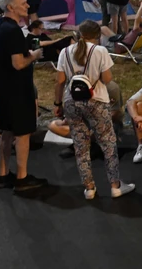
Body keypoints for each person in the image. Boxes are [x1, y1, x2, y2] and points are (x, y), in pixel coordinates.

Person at [54, 20, 134, 200]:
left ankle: (89, 188)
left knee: (81, 146)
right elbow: (107, 79)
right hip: (96, 101)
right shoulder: (100, 51)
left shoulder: (65, 52)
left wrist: (57, 104)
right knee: (108, 144)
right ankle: (115, 186)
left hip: (71, 101)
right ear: (98, 35)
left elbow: (59, 81)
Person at [0, 0, 48, 191]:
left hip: (1, 86)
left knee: (6, 131)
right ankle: (22, 178)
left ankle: (3, 175)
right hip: (18, 89)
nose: (27, 5)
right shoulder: (12, 30)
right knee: (23, 133)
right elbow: (18, 63)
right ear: (11, 8)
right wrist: (34, 55)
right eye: (23, 3)